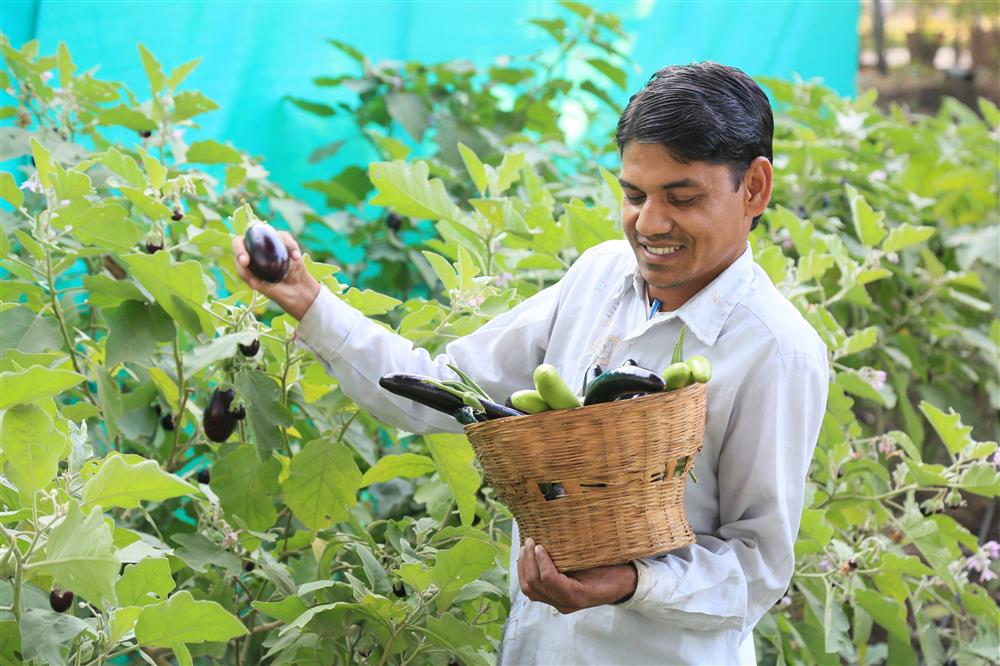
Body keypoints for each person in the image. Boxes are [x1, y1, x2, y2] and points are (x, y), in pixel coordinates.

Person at [232, 61, 828, 666]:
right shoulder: (598, 278)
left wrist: (630, 580)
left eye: (682, 198)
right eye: (633, 195)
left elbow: (757, 568)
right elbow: (442, 390)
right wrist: (308, 300)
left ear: (753, 188)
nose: (649, 223)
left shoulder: (777, 350)